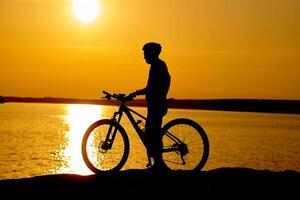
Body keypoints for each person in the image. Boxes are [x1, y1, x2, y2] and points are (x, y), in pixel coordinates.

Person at [129, 42, 171, 171]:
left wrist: (135, 93)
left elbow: (151, 88)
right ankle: (157, 163)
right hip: (154, 104)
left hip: (157, 105)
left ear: (152, 53)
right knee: (152, 133)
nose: (144, 57)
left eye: (146, 54)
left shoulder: (158, 66)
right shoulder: (156, 65)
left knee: (154, 134)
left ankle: (159, 164)